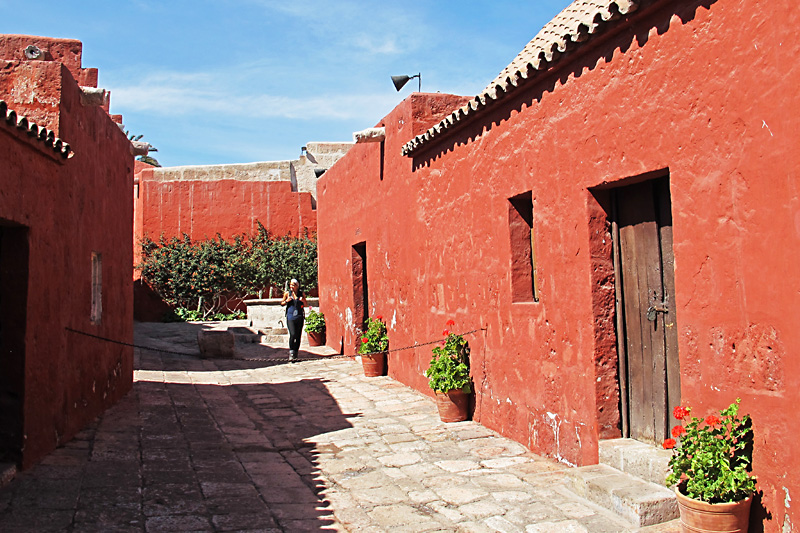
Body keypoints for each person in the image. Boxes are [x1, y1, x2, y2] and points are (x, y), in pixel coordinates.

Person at [280, 279, 307, 361]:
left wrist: (303, 300)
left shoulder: (301, 294)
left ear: (297, 286)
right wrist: (286, 301)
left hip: (299, 316)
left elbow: (306, 304)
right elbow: (282, 303)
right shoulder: (287, 294)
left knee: (298, 335)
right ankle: (291, 351)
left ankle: (295, 353)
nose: (291, 287)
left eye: (293, 285)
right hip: (290, 317)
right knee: (293, 334)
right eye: (291, 285)